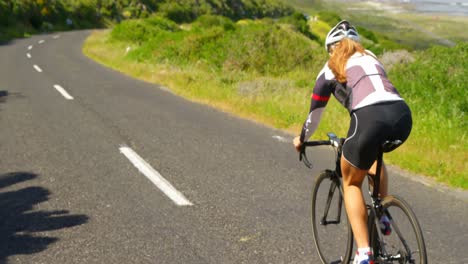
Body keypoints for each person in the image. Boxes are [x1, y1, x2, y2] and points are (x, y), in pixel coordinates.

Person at [293, 21, 412, 264]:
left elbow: (314, 115)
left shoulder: (329, 69)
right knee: (372, 157)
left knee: (351, 182)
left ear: (330, 49)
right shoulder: (371, 56)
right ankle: (383, 213)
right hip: (402, 115)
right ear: (357, 43)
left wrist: (302, 139)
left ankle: (364, 253)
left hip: (369, 118)